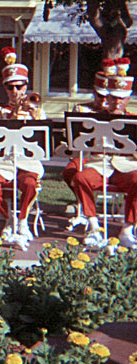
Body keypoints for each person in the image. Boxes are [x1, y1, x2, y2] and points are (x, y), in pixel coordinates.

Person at [70, 58, 137, 249]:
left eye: (121, 98)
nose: (116, 102)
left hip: (126, 166)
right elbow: (79, 145)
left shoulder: (134, 120)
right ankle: (93, 227)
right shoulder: (95, 119)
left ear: (128, 98)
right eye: (113, 97)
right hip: (99, 165)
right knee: (81, 178)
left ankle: (127, 229)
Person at [0, 47, 46, 245]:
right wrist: (12, 113)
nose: (15, 92)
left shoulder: (36, 110)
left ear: (26, 87)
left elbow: (42, 138)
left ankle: (23, 221)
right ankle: (8, 217)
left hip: (28, 161)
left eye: (19, 87)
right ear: (5, 88)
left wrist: (30, 114)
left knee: (29, 184)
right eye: (10, 88)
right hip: (3, 162)